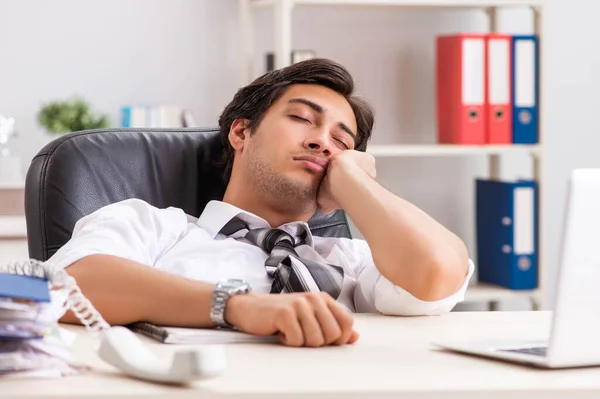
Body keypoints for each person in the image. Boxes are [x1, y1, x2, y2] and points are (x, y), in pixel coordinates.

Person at [51, 58, 474, 348]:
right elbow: (68, 288)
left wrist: (351, 182)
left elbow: (437, 271)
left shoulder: (357, 263)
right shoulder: (153, 227)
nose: (320, 142)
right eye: (302, 119)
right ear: (241, 133)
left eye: (341, 142)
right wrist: (235, 306)